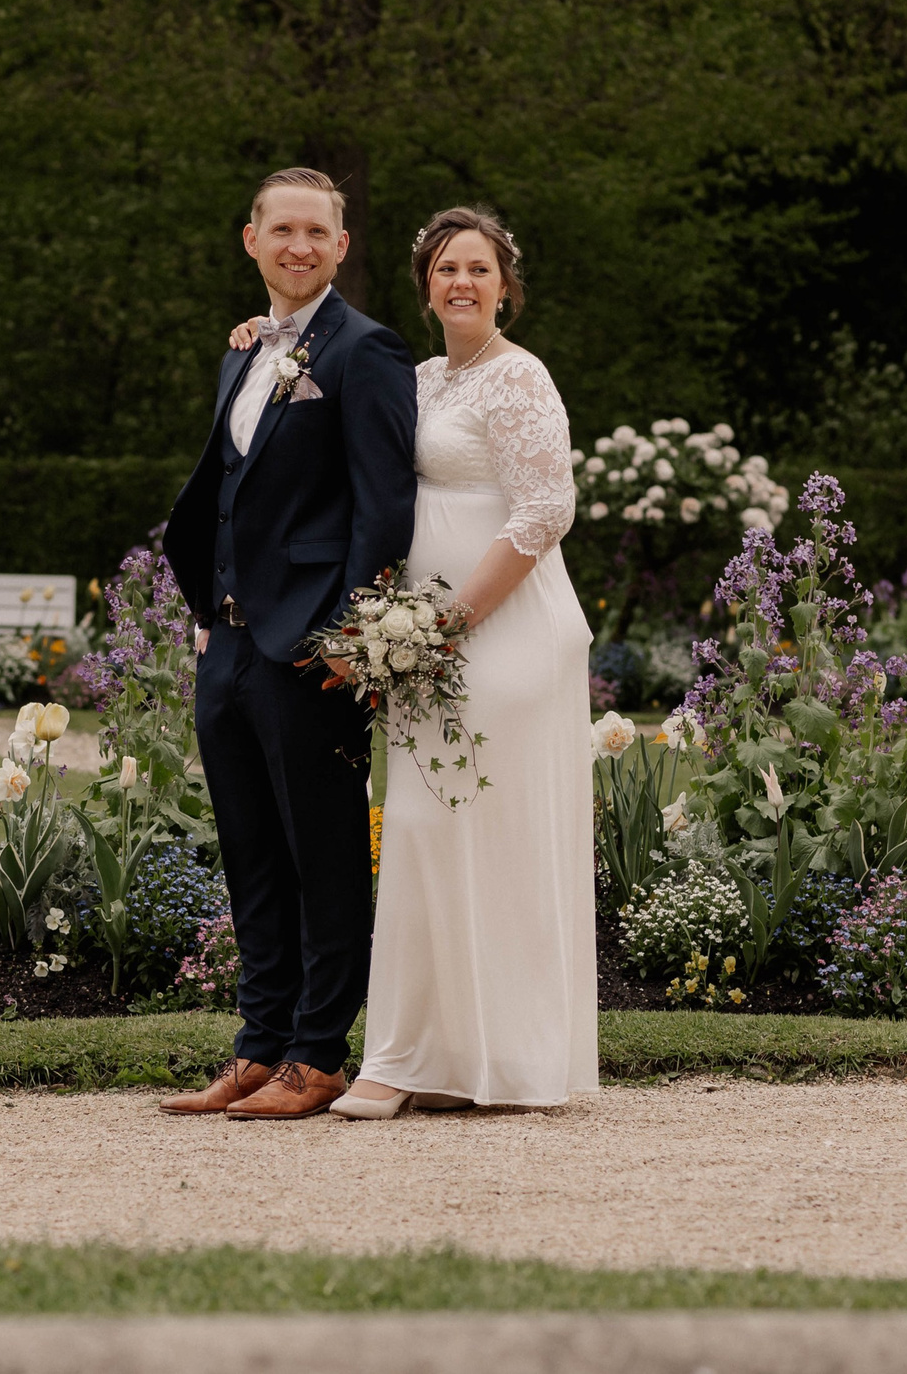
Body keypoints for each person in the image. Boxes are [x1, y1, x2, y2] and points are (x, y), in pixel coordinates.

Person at [227, 205, 597, 1117]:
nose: (461, 283)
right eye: (445, 270)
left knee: (484, 835)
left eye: (478, 269)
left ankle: (502, 1060)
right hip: (419, 643)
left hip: (499, 633)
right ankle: (420, 1058)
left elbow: (545, 510)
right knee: (428, 838)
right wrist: (260, 336)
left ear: (505, 285)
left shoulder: (520, 378)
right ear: (425, 286)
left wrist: (449, 626)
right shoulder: (424, 375)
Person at [158, 167, 418, 1121]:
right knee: (251, 853)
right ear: (251, 239)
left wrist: (346, 638)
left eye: (318, 230)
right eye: (283, 230)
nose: (299, 245)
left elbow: (385, 508)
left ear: (343, 246)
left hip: (310, 646)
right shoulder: (244, 350)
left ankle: (319, 1051)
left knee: (325, 853)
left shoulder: (367, 349)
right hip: (224, 645)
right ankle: (259, 1046)